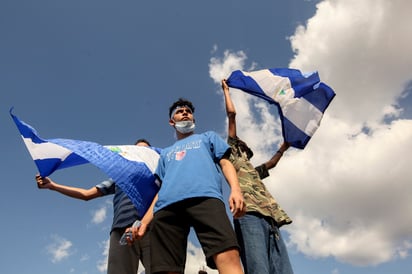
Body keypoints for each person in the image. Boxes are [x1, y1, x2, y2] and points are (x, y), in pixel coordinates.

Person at [128, 98, 245, 274]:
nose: (185, 112)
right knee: (165, 268)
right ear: (171, 121)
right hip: (167, 209)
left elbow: (226, 163)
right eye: (179, 111)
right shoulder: (165, 154)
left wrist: (236, 189)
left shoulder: (208, 137)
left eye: (188, 111)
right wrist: (144, 222)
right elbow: (161, 190)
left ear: (194, 119)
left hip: (206, 198)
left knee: (228, 255)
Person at [35, 138, 157, 274]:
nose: (141, 152)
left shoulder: (157, 174)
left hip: (152, 229)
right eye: (137, 150)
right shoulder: (119, 178)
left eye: (145, 150)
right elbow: (86, 194)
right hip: (121, 230)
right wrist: (53, 186)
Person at [221, 79, 294, 274]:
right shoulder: (233, 158)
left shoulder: (252, 170)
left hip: (270, 217)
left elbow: (271, 164)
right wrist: (226, 91)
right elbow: (232, 115)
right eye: (241, 144)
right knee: (258, 268)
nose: (244, 145)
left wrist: (283, 148)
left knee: (283, 270)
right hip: (249, 214)